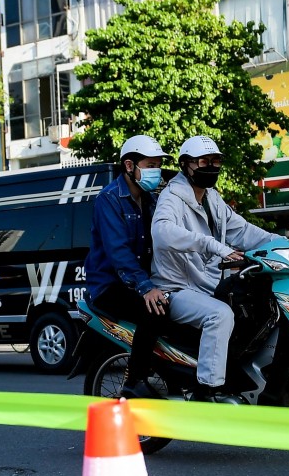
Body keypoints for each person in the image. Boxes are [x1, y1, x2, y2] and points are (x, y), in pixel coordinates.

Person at [151, 135, 273, 403]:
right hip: (176, 290)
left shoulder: (213, 199)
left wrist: (284, 245)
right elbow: (161, 233)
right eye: (203, 161)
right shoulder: (172, 197)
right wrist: (212, 245)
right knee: (220, 315)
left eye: (215, 161)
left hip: (205, 288)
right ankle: (208, 391)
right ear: (186, 165)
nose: (211, 167)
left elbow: (243, 230)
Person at [83, 135, 173, 399]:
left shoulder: (151, 200)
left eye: (158, 165)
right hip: (109, 285)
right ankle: (134, 381)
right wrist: (146, 288)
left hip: (140, 280)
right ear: (129, 166)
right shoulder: (109, 199)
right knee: (154, 312)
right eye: (150, 165)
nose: (156, 171)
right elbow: (118, 251)